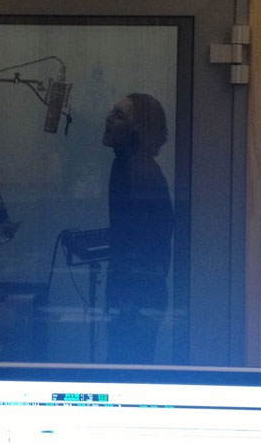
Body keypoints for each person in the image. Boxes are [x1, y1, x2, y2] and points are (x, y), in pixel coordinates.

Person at [102, 93, 174, 364]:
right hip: (134, 296)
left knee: (127, 366)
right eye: (113, 111)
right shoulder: (128, 165)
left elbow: (148, 242)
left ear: (138, 130)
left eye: (120, 115)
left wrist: (127, 302)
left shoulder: (138, 172)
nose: (109, 119)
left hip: (136, 298)